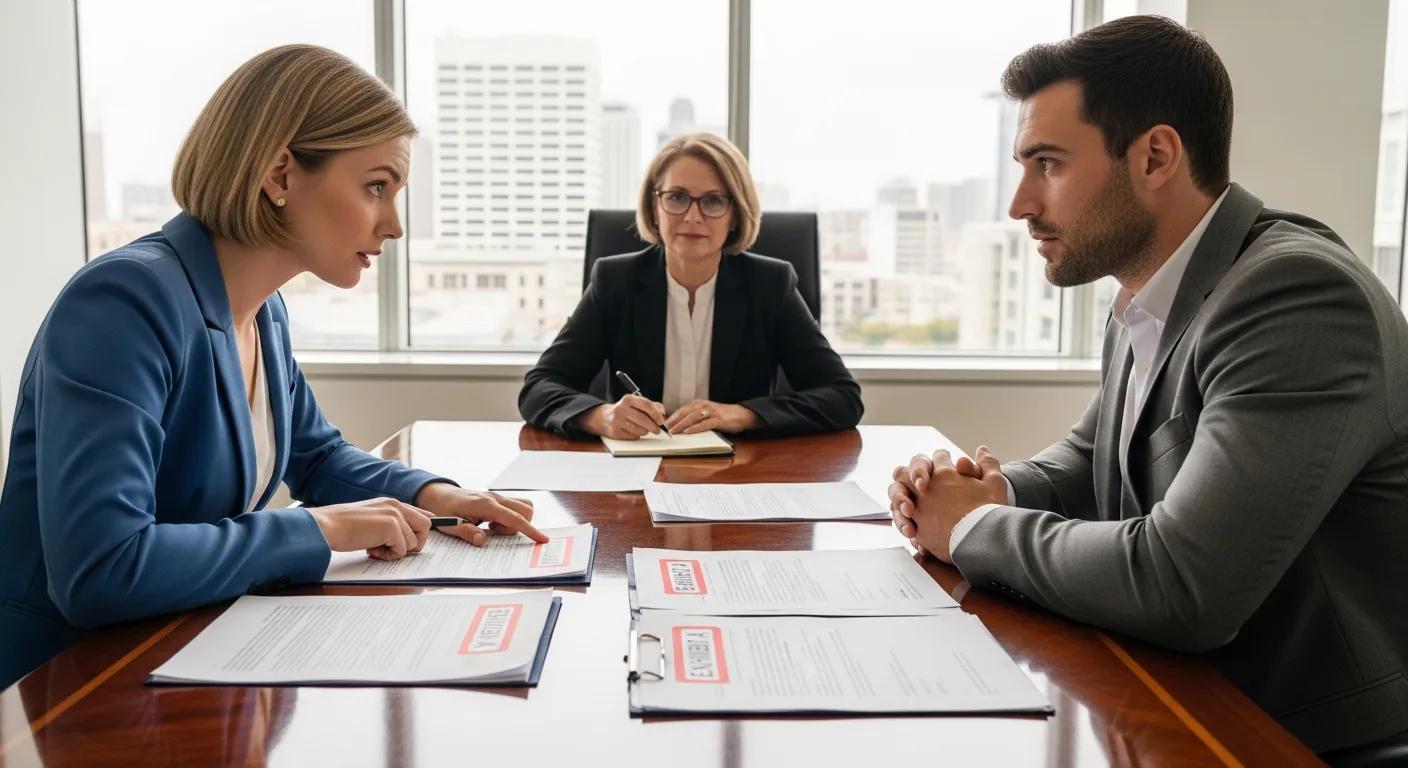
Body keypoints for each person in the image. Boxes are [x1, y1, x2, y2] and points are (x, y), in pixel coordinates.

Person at [887, 16, 1408, 757]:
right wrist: (987, 491)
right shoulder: (1153, 287)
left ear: (1157, 156)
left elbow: (1181, 584)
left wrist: (968, 529)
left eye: (1049, 165)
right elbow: (1092, 458)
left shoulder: (1297, 297)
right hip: (1183, 698)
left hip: (1295, 737)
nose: (1020, 203)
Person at [0, 44, 546, 690]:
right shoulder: (124, 302)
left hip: (183, 654)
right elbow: (101, 570)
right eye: (377, 187)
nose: (395, 225)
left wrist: (436, 495)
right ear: (280, 173)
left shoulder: (263, 311)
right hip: (71, 688)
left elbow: (315, 458)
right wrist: (316, 529)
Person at [518, 132, 862, 440]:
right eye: (677, 197)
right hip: (633, 475)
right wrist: (602, 416)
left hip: (738, 473)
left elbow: (842, 397)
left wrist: (742, 415)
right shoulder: (616, 281)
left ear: (735, 215)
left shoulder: (770, 286)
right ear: (655, 208)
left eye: (713, 201)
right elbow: (539, 388)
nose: (693, 216)